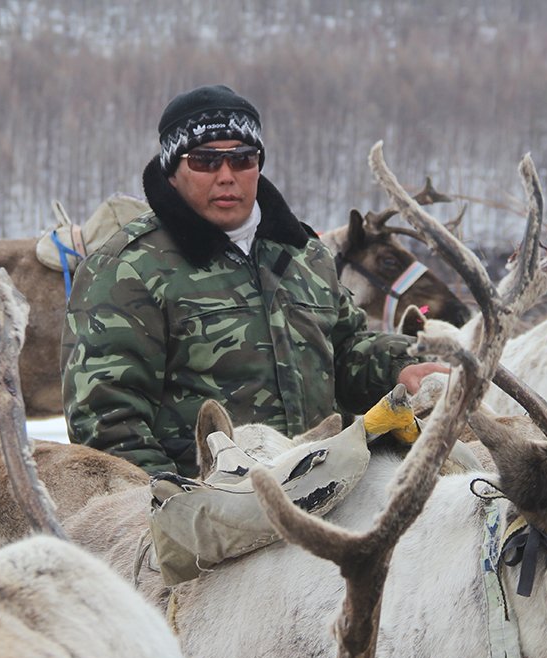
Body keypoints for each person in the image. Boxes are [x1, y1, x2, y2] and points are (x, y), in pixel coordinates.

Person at [61, 84, 442, 476]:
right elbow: (104, 422)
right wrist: (181, 503)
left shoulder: (303, 254)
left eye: (243, 159)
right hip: (205, 508)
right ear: (173, 171)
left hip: (323, 490)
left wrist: (399, 366)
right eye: (206, 161)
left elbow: (345, 352)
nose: (227, 176)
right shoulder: (128, 268)